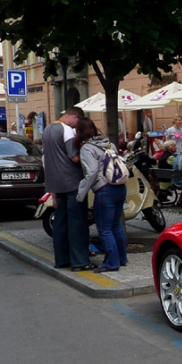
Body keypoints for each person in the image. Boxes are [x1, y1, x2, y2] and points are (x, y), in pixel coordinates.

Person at [42, 106, 93, 271]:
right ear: (76, 116)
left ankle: (62, 260)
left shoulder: (48, 129)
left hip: (56, 184)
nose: (76, 127)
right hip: (72, 183)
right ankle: (80, 262)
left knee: (60, 224)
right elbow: (75, 157)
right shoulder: (67, 131)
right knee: (77, 224)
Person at [75, 116, 127, 273]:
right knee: (115, 225)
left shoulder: (87, 149)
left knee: (104, 229)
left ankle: (112, 263)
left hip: (104, 189)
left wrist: (80, 194)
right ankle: (122, 258)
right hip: (119, 187)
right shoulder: (108, 143)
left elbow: (91, 173)